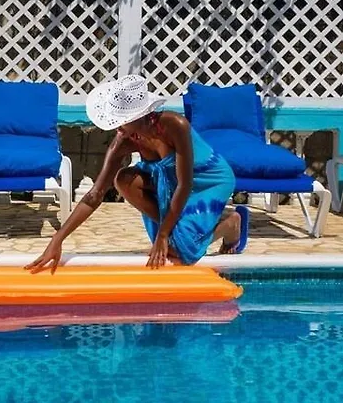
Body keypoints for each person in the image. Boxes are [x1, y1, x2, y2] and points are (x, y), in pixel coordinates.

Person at [25, 75, 249, 274]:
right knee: (124, 180)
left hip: (209, 179)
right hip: (172, 182)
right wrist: (57, 239)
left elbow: (185, 184)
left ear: (140, 115)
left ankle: (231, 223)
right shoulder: (122, 141)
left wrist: (162, 235)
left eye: (120, 120)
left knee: (181, 251)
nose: (116, 127)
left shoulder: (174, 124)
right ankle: (178, 233)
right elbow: (95, 195)